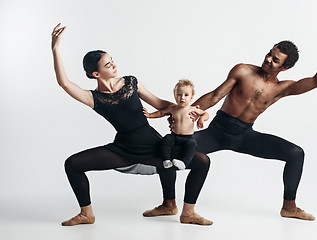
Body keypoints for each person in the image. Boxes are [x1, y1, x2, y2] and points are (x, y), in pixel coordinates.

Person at [144, 21, 317, 221]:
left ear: (285, 67)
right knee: (166, 149)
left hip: (244, 136)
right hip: (217, 132)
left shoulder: (283, 88)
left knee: (296, 153)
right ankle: (169, 204)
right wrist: (187, 114)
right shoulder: (243, 70)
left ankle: (289, 207)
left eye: (275, 59)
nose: (268, 59)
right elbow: (215, 95)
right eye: (269, 54)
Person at [51, 23, 212, 226]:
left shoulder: (131, 82)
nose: (114, 66)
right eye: (107, 65)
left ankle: (179, 209)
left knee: (200, 161)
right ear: (96, 74)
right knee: (72, 164)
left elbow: (158, 103)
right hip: (123, 148)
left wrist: (180, 111)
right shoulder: (94, 98)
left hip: (150, 141)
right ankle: (86, 214)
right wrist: (56, 49)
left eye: (112, 61)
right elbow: (64, 83)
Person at [144, 80, 209, 170]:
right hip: (174, 136)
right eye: (179, 94)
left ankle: (184, 163)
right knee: (166, 139)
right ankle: (166, 160)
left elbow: (206, 114)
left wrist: (201, 119)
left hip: (188, 138)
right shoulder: (172, 108)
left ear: (191, 98)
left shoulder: (193, 109)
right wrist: (150, 115)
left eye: (186, 95)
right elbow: (161, 113)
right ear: (175, 96)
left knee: (192, 144)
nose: (182, 97)